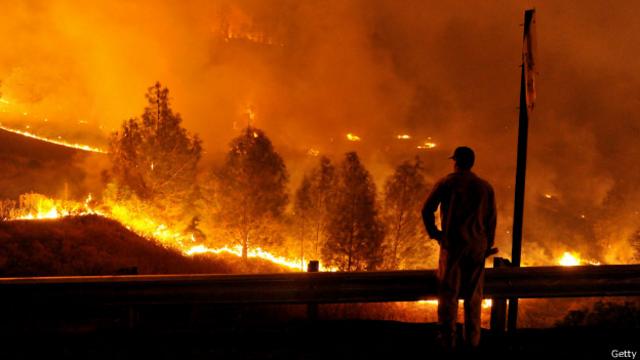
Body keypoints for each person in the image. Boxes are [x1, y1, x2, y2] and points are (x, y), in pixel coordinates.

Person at [421, 146, 497, 350]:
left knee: (448, 294)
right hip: (476, 248)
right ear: (472, 163)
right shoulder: (485, 187)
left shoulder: (447, 183)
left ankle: (448, 341)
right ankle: (472, 341)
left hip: (452, 245)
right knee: (474, 296)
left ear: (456, 162)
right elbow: (491, 221)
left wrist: (435, 234)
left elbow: (427, 209)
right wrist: (486, 245)